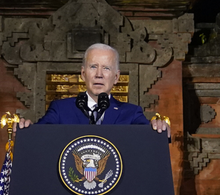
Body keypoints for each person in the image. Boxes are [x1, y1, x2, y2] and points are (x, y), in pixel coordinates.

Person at [16, 43, 170, 137]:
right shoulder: (60, 109)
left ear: (116, 77)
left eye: (106, 68)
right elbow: (39, 135)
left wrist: (159, 129)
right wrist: (28, 130)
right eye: (93, 67)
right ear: (83, 74)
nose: (99, 75)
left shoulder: (131, 113)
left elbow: (149, 138)